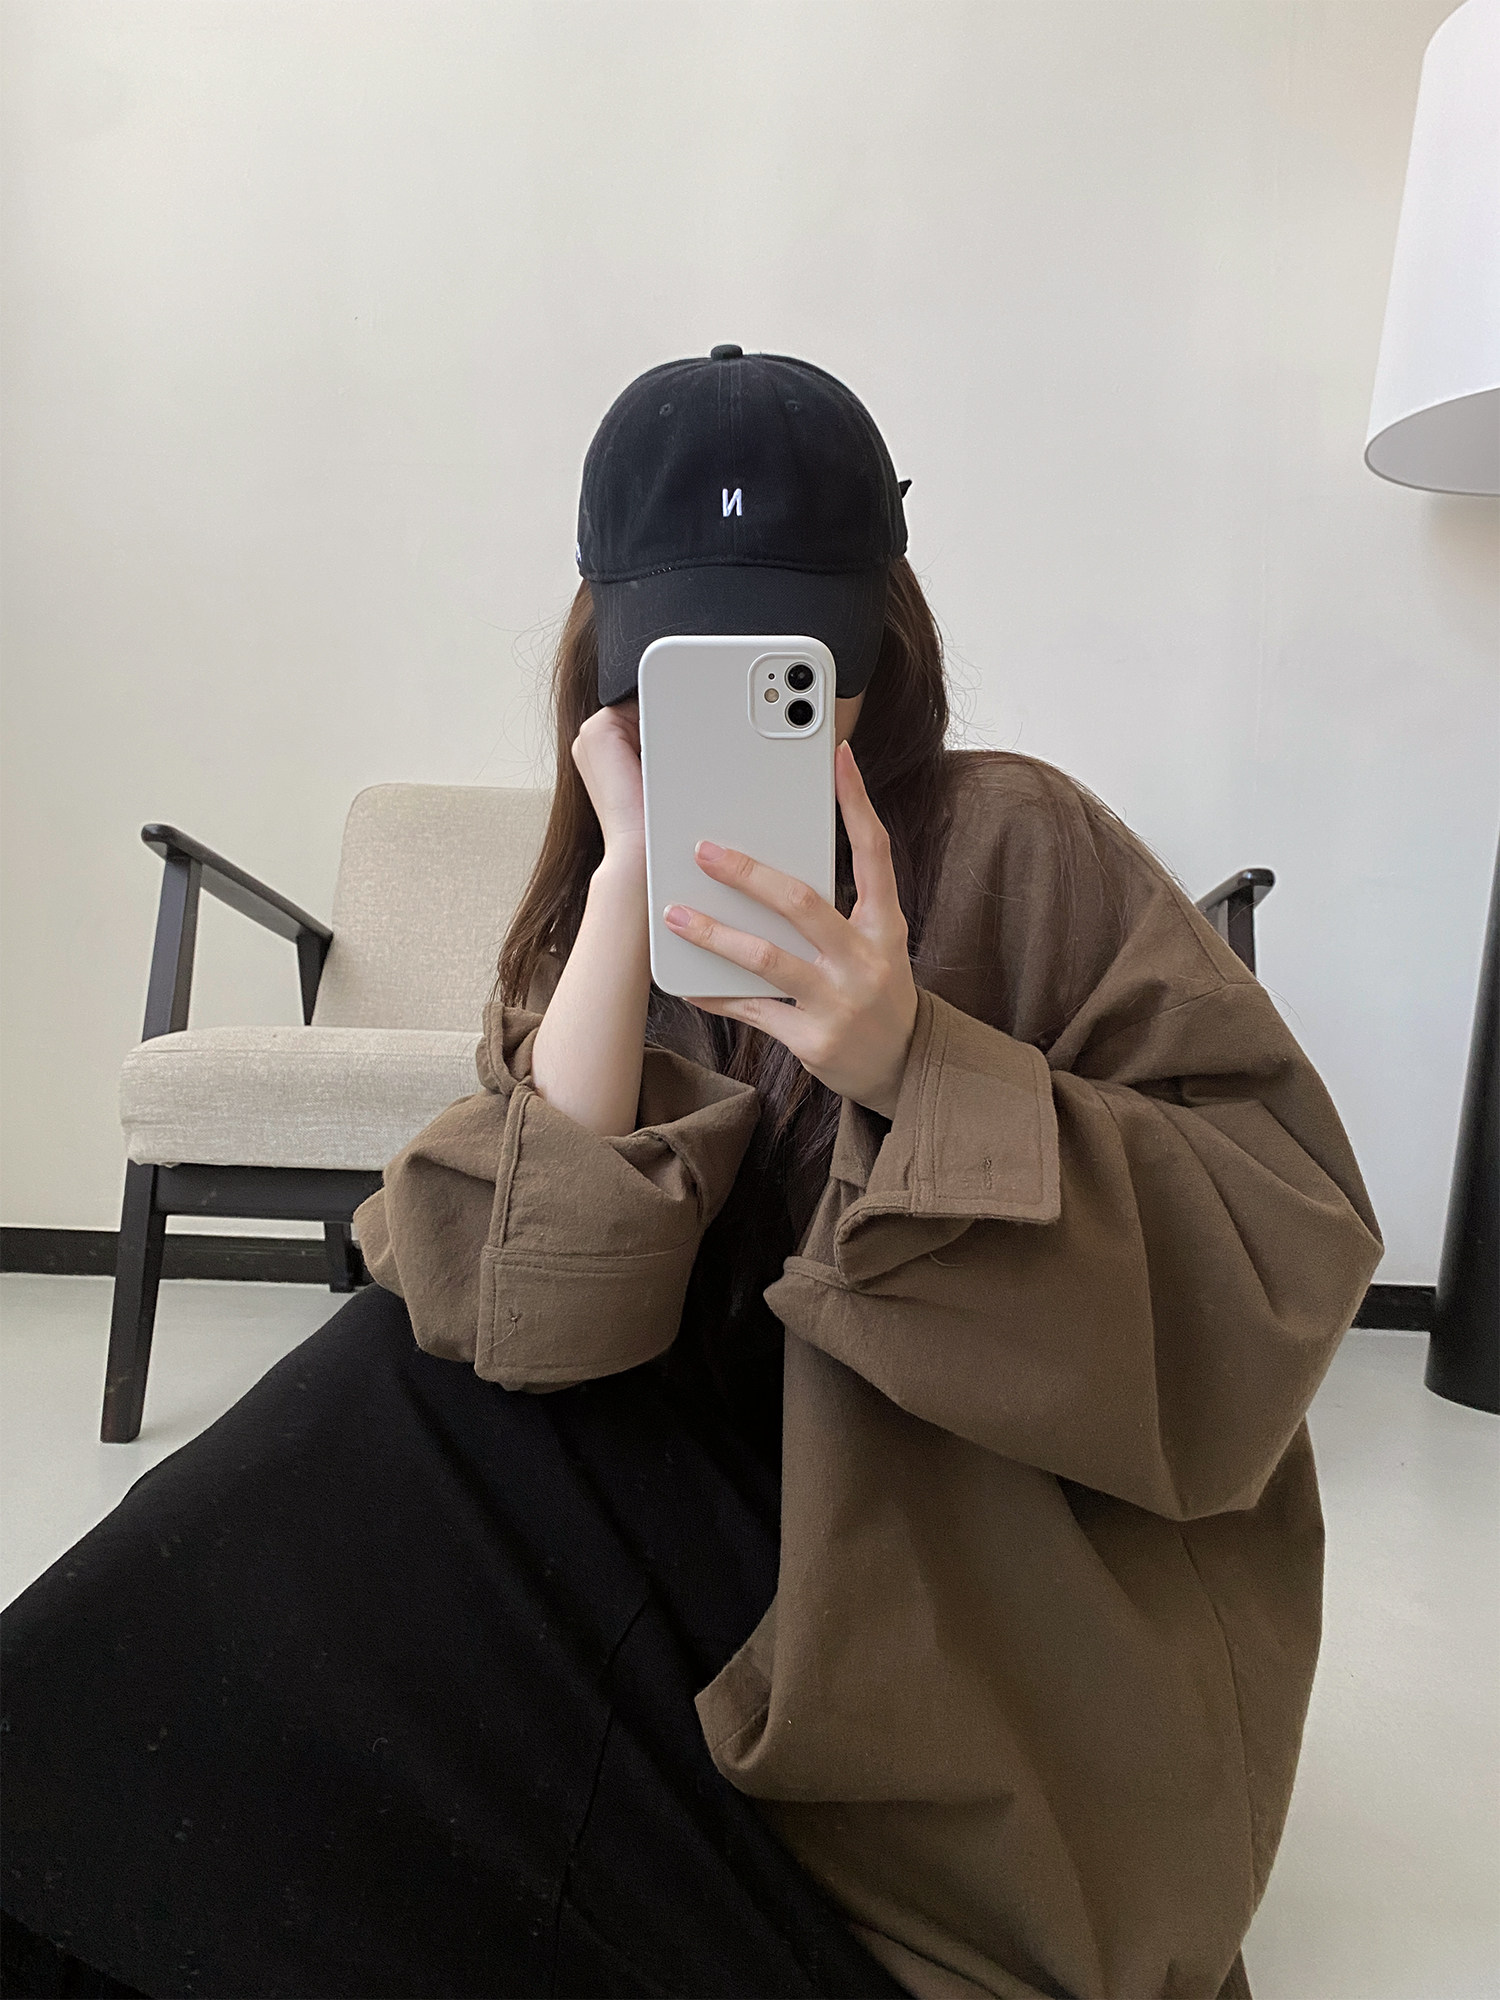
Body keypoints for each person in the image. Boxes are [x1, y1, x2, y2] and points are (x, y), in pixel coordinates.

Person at [1, 347, 1384, 2000]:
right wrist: (626, 885)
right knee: (378, 1405)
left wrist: (914, 1063)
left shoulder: (1023, 842)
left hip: (963, 1601)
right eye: (689, 655)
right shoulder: (599, 908)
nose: (745, 700)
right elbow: (514, 1330)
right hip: (704, 1552)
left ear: (886, 638)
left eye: (795, 660)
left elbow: (1283, 1246)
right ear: (607, 655)